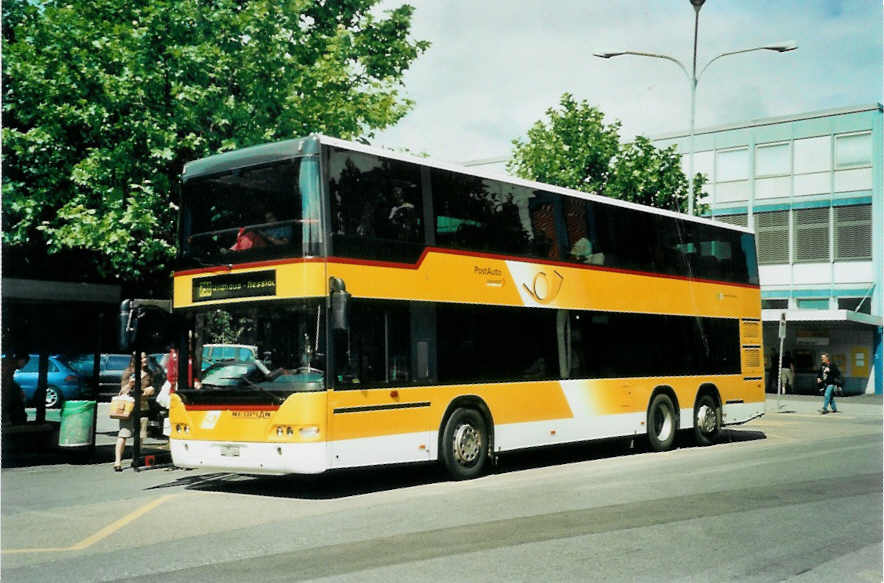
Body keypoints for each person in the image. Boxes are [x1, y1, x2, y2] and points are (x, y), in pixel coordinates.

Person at [113, 353, 156, 471]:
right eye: (142, 358)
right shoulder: (128, 372)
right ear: (135, 360)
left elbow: (152, 389)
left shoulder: (149, 373)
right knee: (124, 434)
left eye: (145, 357)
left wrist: (149, 390)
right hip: (129, 408)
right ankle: (117, 462)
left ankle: (135, 459)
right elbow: (122, 391)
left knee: (140, 436)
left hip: (142, 406)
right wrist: (130, 384)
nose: (145, 359)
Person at [1, 353, 29, 426]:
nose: (23, 366)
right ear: (21, 360)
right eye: (24, 363)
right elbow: (5, 380)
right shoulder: (9, 366)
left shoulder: (9, 365)